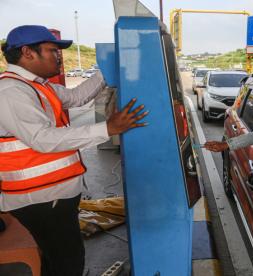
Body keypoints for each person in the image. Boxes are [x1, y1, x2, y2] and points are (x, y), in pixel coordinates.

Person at [0, 25, 148, 276]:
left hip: (54, 194)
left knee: (56, 258)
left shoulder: (37, 86)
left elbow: (77, 97)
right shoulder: (11, 91)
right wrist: (108, 128)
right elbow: (42, 139)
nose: (58, 56)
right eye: (52, 50)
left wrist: (106, 68)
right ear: (27, 52)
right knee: (67, 262)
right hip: (41, 198)